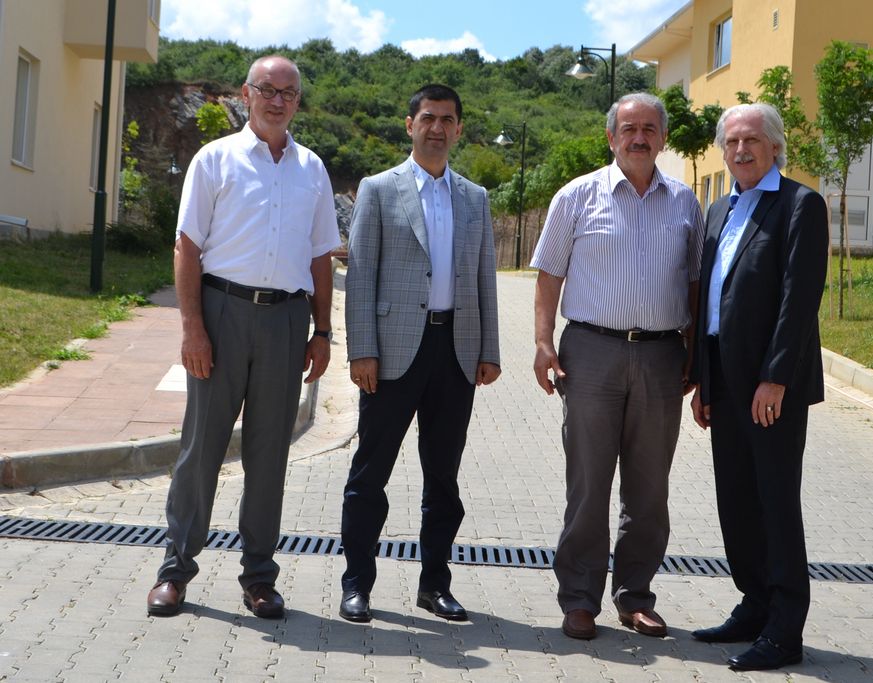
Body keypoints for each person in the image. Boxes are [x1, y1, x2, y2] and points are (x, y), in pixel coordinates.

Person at [146, 55, 339, 619]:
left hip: (285, 321)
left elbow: (321, 254)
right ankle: (175, 570)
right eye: (267, 90)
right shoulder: (216, 159)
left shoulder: (312, 170)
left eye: (289, 92)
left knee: (268, 454)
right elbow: (187, 247)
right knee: (200, 449)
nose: (278, 100)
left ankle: (259, 577)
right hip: (222, 313)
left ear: (298, 101)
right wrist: (192, 329)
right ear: (246, 95)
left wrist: (322, 330)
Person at [531, 92, 703, 640]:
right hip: (591, 351)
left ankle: (635, 595)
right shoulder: (576, 196)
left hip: (660, 355)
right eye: (628, 128)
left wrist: (694, 356)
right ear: (611, 136)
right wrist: (542, 341)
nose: (639, 137)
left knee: (649, 489)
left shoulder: (685, 203)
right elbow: (549, 276)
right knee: (588, 483)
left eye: (649, 128)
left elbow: (696, 287)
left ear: (663, 138)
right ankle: (579, 598)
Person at [339, 83, 500, 623]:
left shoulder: (474, 198)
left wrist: (490, 350)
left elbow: (484, 281)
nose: (437, 127)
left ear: (458, 129)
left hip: (454, 351)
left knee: (443, 481)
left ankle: (435, 585)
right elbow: (360, 274)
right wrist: (362, 349)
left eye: (447, 119)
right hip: (390, 353)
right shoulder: (378, 190)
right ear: (409, 125)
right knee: (370, 475)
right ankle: (357, 584)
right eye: (427, 118)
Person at [688, 103, 828, 671]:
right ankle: (753, 603)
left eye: (752, 140)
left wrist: (775, 378)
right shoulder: (720, 208)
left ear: (774, 146)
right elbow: (709, 297)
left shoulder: (800, 205)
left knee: (774, 500)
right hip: (723, 375)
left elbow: (799, 301)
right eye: (732, 142)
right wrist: (702, 376)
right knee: (736, 501)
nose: (740, 150)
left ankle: (785, 627)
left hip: (772, 384)